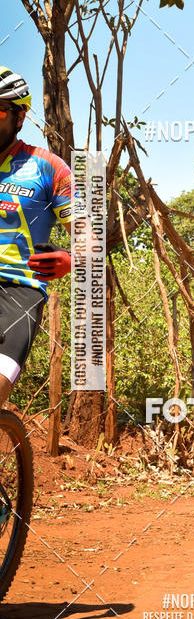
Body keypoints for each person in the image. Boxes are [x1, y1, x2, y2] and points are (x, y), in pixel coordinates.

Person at [0, 67, 72, 407]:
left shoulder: (49, 167)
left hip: (18, 294)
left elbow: (89, 235)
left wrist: (73, 258)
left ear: (20, 116)